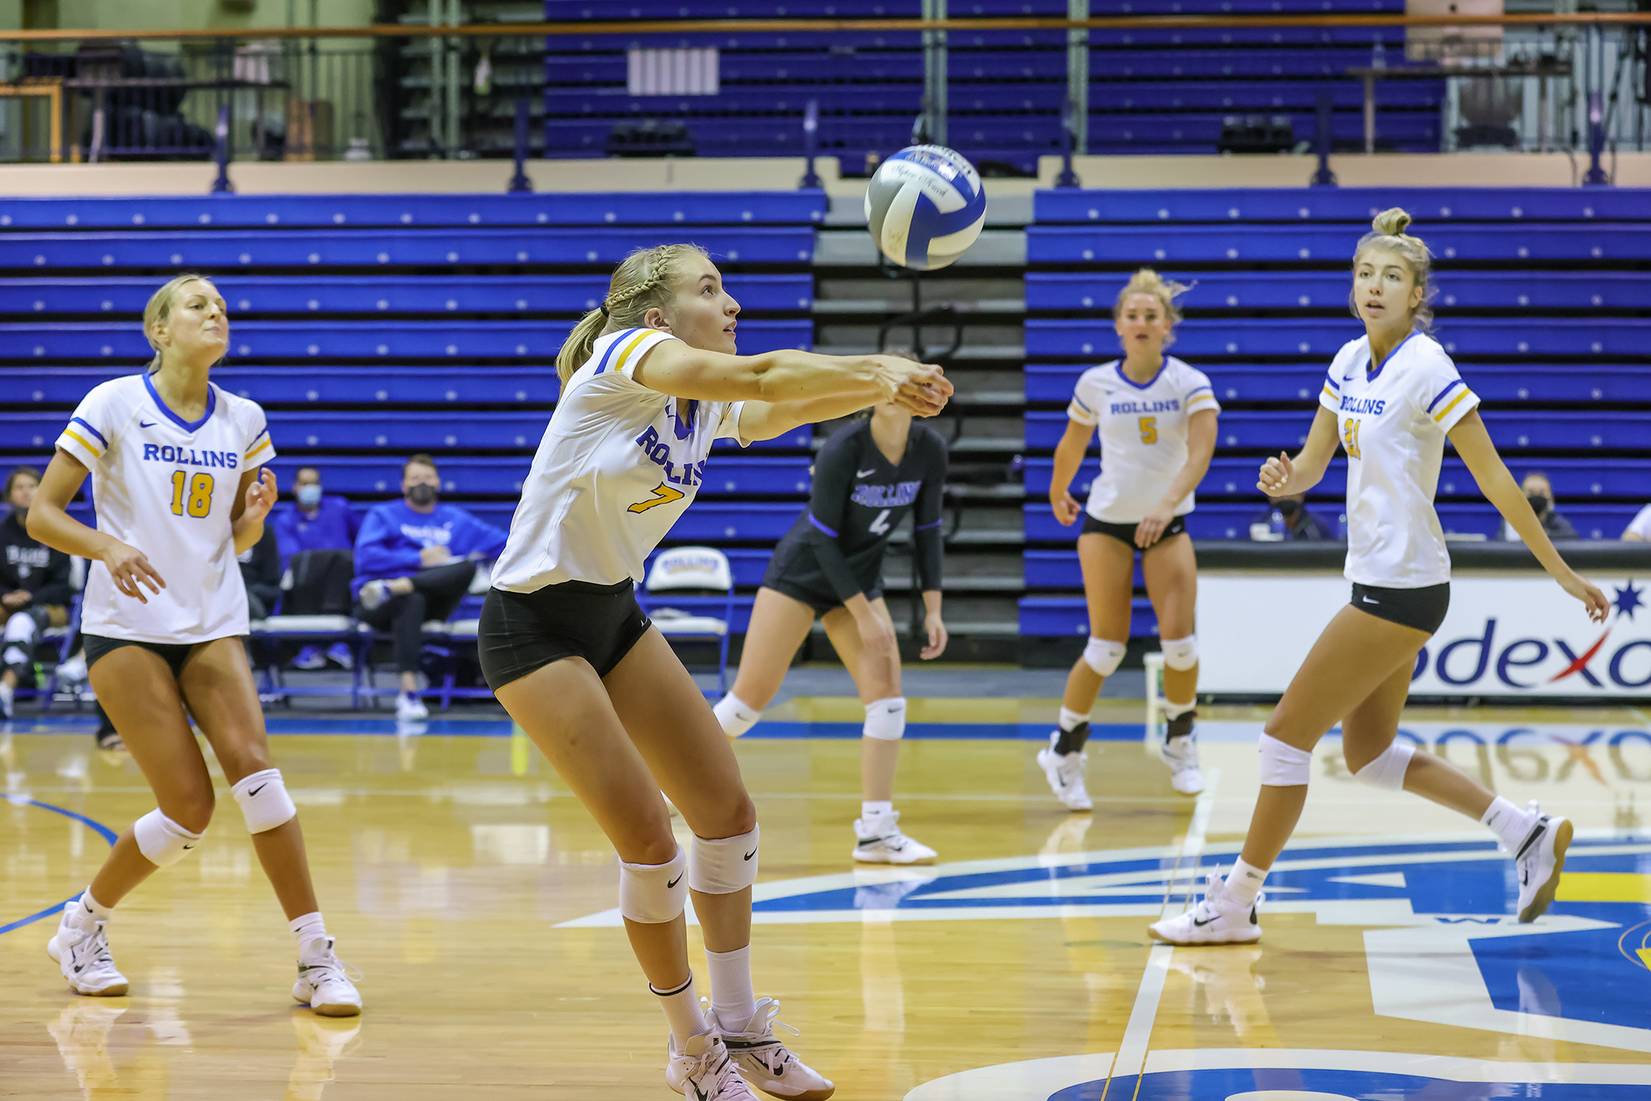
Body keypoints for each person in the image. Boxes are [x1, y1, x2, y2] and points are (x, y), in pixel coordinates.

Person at [480, 243, 949, 1100]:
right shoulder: (623, 359)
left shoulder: (696, 401)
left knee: (726, 817)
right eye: (710, 289)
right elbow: (769, 377)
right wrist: (874, 364)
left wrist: (885, 389)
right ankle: (691, 1047)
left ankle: (739, 1025)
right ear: (658, 318)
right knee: (652, 846)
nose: (731, 303)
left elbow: (777, 407)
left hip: (612, 612)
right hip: (534, 627)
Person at [1149, 210, 1607, 947]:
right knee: (1368, 754)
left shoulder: (1428, 367)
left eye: (1391, 277)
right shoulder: (1345, 360)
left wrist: (1559, 570)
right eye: (1364, 273)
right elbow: (1311, 463)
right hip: (1378, 577)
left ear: (1416, 292)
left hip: (1402, 585)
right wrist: (1283, 478)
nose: (1374, 286)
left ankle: (1236, 899)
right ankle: (1523, 830)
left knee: (1280, 740)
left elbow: (1494, 480)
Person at [26, 273, 362, 1015]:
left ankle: (315, 954)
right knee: (187, 809)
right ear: (159, 330)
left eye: (222, 306)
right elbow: (43, 516)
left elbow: (233, 538)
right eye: (197, 304)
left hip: (211, 616)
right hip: (126, 624)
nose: (217, 313)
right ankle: (83, 924)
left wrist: (255, 520)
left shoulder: (243, 416)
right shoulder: (112, 401)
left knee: (258, 774)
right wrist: (106, 546)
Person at [712, 394, 949, 865]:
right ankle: (669, 785)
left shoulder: (930, 449)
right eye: (901, 382)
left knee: (887, 701)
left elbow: (928, 530)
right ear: (879, 394)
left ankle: (876, 832)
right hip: (803, 571)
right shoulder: (845, 446)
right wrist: (864, 614)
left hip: (858, 577)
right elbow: (822, 537)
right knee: (746, 704)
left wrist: (933, 608)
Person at [1042, 268, 1220, 808]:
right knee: (1106, 645)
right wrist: (1058, 489)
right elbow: (1071, 445)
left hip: (1167, 524)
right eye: (1132, 315)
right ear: (1118, 325)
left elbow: (1201, 452)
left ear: (1169, 325)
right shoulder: (1096, 383)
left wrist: (1165, 508)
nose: (1141, 323)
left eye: (1152, 315)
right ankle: (1065, 751)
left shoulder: (1188, 382)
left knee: (1180, 644)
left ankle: (1181, 742)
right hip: (1108, 523)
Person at [352, 453, 507, 721]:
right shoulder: (383, 515)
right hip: (376, 602)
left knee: (467, 567)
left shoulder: (456, 520)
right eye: (415, 478)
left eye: (427, 477)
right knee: (411, 600)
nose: (421, 483)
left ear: (438, 482)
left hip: (433, 602)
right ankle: (409, 692)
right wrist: (417, 559)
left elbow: (506, 542)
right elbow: (365, 557)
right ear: (403, 485)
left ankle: (400, 585)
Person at [1, 466, 73, 721]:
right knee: (16, 619)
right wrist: (5, 596)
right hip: (8, 605)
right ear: (9, 496)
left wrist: (30, 598)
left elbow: (63, 586)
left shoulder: (55, 530)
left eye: (32, 486)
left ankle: (5, 689)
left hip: (51, 607)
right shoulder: (3, 532)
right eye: (19, 488)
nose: (26, 493)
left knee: (22, 621)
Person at [271, 466, 361, 669]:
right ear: (295, 487)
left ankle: (338, 645)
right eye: (304, 483)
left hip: (343, 580)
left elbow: (361, 541)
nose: (310, 488)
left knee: (344, 563)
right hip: (307, 583)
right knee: (312, 570)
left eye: (314, 483)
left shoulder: (340, 508)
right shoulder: (286, 520)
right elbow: (292, 559)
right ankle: (313, 646)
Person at [1501, 471, 1577, 542]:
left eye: (1542, 492)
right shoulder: (1511, 524)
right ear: (1521, 496)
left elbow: (1572, 538)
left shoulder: (1557, 521)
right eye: (1531, 492)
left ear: (1551, 498)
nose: (1536, 496)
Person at [1249, 491, 1333, 541]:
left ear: (1303, 491)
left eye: (1292, 488)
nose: (1286, 494)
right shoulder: (1259, 525)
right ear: (1269, 493)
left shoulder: (1318, 526)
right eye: (1280, 487)